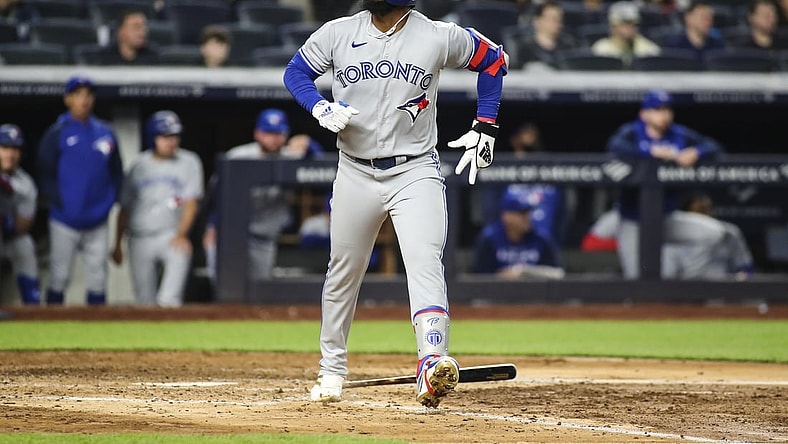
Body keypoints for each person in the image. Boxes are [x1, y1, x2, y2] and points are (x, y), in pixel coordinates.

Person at [283, 0, 507, 407]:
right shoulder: (338, 31)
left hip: (415, 169)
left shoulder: (438, 36)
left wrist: (486, 124)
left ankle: (432, 360)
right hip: (354, 169)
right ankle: (331, 368)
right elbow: (296, 72)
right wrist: (317, 105)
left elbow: (495, 60)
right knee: (343, 271)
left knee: (424, 260)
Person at [606, 89, 730, 280]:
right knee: (637, 279)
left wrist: (697, 152)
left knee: (713, 234)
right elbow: (614, 146)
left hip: (666, 218)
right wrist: (649, 153)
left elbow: (714, 146)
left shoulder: (677, 133)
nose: (664, 115)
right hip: (633, 221)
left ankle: (689, 285)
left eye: (666, 109)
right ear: (644, 114)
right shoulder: (632, 132)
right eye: (657, 110)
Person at [202, 108, 322, 284]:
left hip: (264, 238)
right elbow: (215, 197)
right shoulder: (237, 157)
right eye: (268, 133)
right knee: (225, 286)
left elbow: (321, 163)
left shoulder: (291, 157)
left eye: (278, 133)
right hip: (230, 235)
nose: (273, 139)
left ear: (285, 135)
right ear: (257, 134)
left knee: (259, 290)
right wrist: (212, 226)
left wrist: (309, 144)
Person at [37, 75, 124, 305]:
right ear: (68, 99)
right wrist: (60, 203)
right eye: (78, 95)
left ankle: (97, 333)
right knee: (60, 276)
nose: (84, 100)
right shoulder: (57, 132)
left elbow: (117, 172)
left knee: (98, 277)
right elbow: (45, 172)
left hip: (98, 218)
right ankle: (50, 329)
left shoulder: (106, 132)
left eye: (88, 95)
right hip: (64, 219)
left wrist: (109, 202)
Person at [111, 111, 203, 307]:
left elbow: (191, 203)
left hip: (171, 236)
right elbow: (125, 207)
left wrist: (182, 234)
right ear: (152, 137)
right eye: (165, 136)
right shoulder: (138, 165)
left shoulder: (189, 162)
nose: (171, 141)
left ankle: (172, 335)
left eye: (174, 136)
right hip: (139, 237)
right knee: (144, 300)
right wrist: (117, 243)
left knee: (169, 300)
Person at [472, 186, 564, 280]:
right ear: (506, 216)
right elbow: (478, 277)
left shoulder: (541, 239)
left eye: (528, 212)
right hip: (497, 293)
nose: (527, 217)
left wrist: (524, 272)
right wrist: (502, 277)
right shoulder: (489, 239)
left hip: (533, 292)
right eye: (522, 213)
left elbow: (558, 274)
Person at [662, 192, 754, 280]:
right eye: (700, 209)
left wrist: (741, 279)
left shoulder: (727, 231)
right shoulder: (673, 231)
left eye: (707, 208)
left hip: (719, 290)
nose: (703, 214)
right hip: (681, 290)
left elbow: (745, 267)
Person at [0, 124, 41, 305]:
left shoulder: (25, 183)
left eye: (15, 148)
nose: (10, 154)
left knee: (25, 245)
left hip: (9, 237)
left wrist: (4, 222)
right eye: (5, 147)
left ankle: (32, 307)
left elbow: (24, 224)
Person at [591, 1, 661, 67]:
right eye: (625, 23)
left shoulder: (649, 49)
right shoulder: (601, 49)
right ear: (613, 26)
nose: (630, 27)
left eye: (634, 23)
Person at [514, 1, 576, 69]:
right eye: (553, 19)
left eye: (559, 19)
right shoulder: (526, 49)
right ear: (537, 21)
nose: (557, 23)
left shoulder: (568, 46)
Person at [662, 1, 726, 64]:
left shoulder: (718, 45)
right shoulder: (673, 46)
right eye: (702, 16)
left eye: (710, 17)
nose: (707, 21)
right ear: (688, 17)